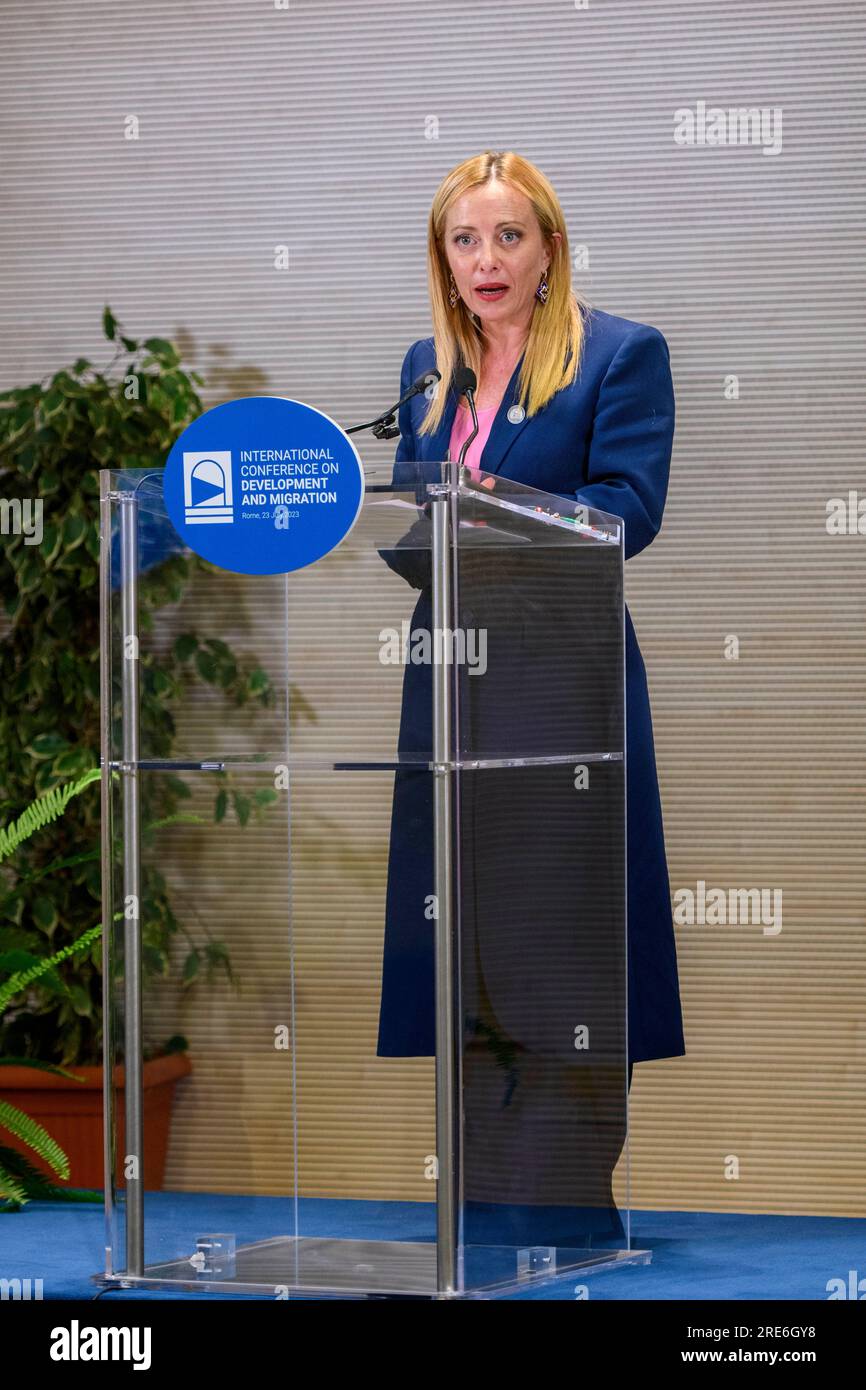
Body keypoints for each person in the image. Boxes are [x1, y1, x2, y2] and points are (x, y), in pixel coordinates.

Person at [376, 150, 685, 1253]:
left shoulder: (616, 354)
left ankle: (559, 1215)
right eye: (465, 239)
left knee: (559, 952)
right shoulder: (427, 366)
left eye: (508, 236)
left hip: (560, 689)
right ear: (441, 257)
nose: (486, 259)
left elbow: (623, 511)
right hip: (449, 687)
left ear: (549, 247)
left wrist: (495, 505)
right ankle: (476, 1217)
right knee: (464, 944)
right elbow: (414, 505)